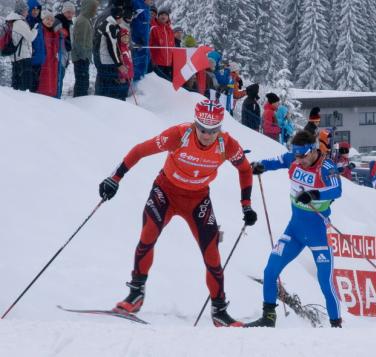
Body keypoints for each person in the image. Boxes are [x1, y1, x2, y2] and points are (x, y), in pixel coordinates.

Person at [99, 99, 258, 327]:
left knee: (212, 253)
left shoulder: (227, 145)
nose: (206, 135)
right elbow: (140, 150)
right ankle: (135, 295)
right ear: (195, 124)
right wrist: (115, 178)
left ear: (220, 128)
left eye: (213, 130)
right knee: (147, 236)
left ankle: (220, 312)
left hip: (198, 199)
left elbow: (244, 169)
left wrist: (246, 205)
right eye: (202, 129)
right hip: (165, 191)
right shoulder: (179, 135)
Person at [246, 129, 342, 328]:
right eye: (296, 156)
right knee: (270, 270)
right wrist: (259, 165)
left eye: (302, 156)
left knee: (325, 283)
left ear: (313, 150)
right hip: (295, 230)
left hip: (318, 235)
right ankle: (268, 318)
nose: (298, 160)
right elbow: (276, 161)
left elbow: (336, 189)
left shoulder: (326, 166)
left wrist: (314, 195)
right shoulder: (295, 157)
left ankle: (336, 326)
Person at [94, 7, 126, 99]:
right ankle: (107, 104)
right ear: (118, 17)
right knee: (108, 86)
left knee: (103, 83)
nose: (122, 19)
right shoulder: (110, 26)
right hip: (106, 61)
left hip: (103, 59)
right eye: (121, 17)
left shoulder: (108, 23)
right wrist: (119, 64)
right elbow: (112, 47)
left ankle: (101, 101)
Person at [6, 0, 38, 91]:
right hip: (22, 57)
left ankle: (16, 103)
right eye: (26, 10)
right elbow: (30, 37)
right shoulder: (19, 22)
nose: (28, 12)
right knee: (25, 85)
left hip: (16, 57)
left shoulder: (13, 21)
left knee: (17, 83)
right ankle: (22, 103)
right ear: (21, 11)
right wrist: (35, 29)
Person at [71, 0, 98, 97]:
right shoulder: (83, 21)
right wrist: (84, 57)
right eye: (93, 8)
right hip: (81, 58)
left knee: (82, 81)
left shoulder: (85, 19)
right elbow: (79, 41)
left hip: (82, 57)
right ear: (88, 7)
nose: (95, 11)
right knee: (82, 83)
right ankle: (80, 102)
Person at [53, 1, 75, 97]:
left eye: (72, 12)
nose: (70, 14)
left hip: (65, 55)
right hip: (58, 55)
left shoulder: (69, 23)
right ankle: (56, 97)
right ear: (64, 12)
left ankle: (58, 96)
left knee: (60, 78)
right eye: (68, 12)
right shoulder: (58, 21)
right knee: (57, 78)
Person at [36, 9, 60, 98]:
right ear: (43, 19)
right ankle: (43, 95)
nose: (50, 22)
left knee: (51, 79)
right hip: (44, 58)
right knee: (44, 79)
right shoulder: (40, 29)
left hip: (52, 58)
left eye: (51, 20)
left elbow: (62, 35)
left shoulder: (53, 31)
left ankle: (51, 95)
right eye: (47, 19)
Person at [149, 8, 174, 81]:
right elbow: (149, 45)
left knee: (168, 85)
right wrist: (151, 60)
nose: (163, 16)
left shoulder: (170, 31)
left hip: (168, 63)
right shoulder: (153, 28)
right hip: (157, 63)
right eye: (161, 15)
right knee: (158, 84)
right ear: (158, 16)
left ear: (168, 17)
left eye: (166, 15)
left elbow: (172, 47)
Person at [131, 0, 151, 81]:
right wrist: (140, 39)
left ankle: (141, 83)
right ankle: (137, 84)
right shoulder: (138, 4)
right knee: (138, 65)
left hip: (144, 44)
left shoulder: (146, 7)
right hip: (138, 43)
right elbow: (137, 24)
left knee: (143, 65)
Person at [26, 0, 44, 92]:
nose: (35, 12)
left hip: (39, 58)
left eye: (37, 10)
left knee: (36, 84)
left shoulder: (39, 23)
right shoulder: (27, 22)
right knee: (30, 85)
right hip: (31, 58)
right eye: (33, 9)